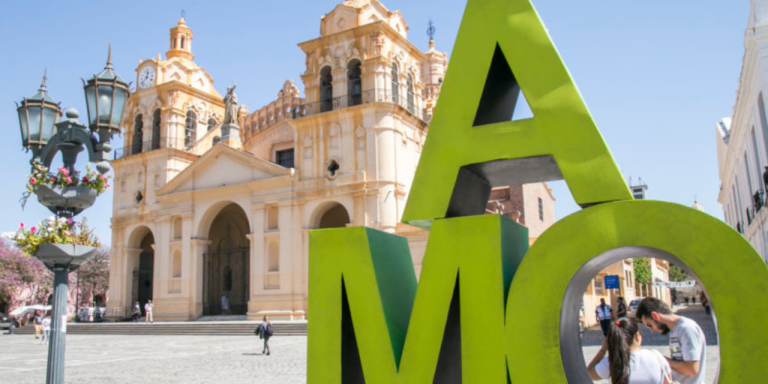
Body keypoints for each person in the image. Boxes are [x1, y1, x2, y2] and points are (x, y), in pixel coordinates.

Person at [636, 297, 706, 384]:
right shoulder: (675, 329)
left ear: (655, 316)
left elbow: (692, 370)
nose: (652, 330)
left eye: (650, 325)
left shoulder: (686, 328)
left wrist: (661, 360)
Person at [587, 317, 674, 384]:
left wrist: (603, 349)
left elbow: (588, 373)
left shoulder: (611, 362)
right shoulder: (657, 357)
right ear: (637, 336)